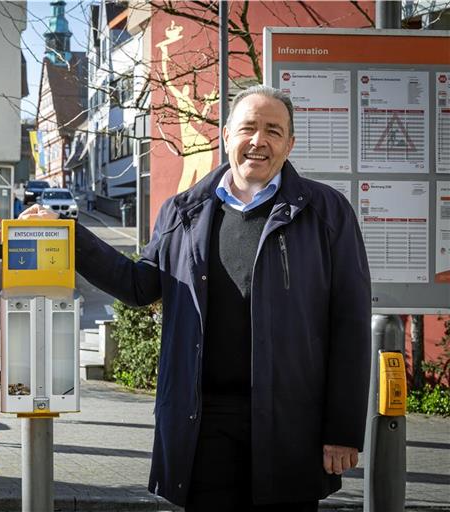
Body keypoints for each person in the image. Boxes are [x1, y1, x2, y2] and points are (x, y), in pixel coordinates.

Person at [21, 85, 371, 511]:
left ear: (290, 143)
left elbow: (350, 324)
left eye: (273, 131)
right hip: (202, 424)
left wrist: (343, 429)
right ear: (226, 135)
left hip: (290, 422)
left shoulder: (325, 212)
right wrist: (69, 237)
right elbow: (139, 285)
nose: (259, 141)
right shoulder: (184, 210)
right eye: (248, 128)